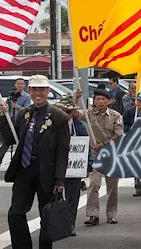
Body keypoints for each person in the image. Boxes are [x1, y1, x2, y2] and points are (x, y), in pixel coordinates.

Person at [4, 75, 70, 249]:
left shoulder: (59, 117)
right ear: (29, 91)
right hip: (24, 170)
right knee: (15, 213)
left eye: (41, 90)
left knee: (46, 216)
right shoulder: (24, 114)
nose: (37, 93)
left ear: (48, 91)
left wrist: (59, 180)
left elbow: (63, 151)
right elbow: (10, 138)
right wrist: (4, 116)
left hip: (46, 172)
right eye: (34, 90)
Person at [79, 89, 124, 226]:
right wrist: (76, 98)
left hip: (112, 154)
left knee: (112, 187)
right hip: (96, 156)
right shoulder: (88, 114)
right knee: (94, 184)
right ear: (94, 100)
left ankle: (111, 214)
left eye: (103, 99)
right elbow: (73, 113)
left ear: (108, 101)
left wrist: (104, 144)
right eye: (98, 99)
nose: (100, 101)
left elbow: (119, 135)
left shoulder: (115, 116)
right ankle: (93, 214)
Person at [57, 95, 90, 237]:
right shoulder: (52, 125)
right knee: (56, 199)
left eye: (69, 111)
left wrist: (88, 166)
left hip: (74, 168)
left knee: (72, 199)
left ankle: (70, 224)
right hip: (56, 168)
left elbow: (86, 147)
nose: (66, 114)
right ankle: (56, 224)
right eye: (63, 111)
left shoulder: (80, 126)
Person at [0, 85, 27, 169]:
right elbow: (7, 110)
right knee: (6, 142)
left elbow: (27, 110)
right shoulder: (10, 98)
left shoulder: (26, 97)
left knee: (21, 144)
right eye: (18, 84)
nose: (19, 86)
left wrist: (17, 107)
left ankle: (20, 162)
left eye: (21, 84)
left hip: (21, 124)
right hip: (11, 122)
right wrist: (4, 111)